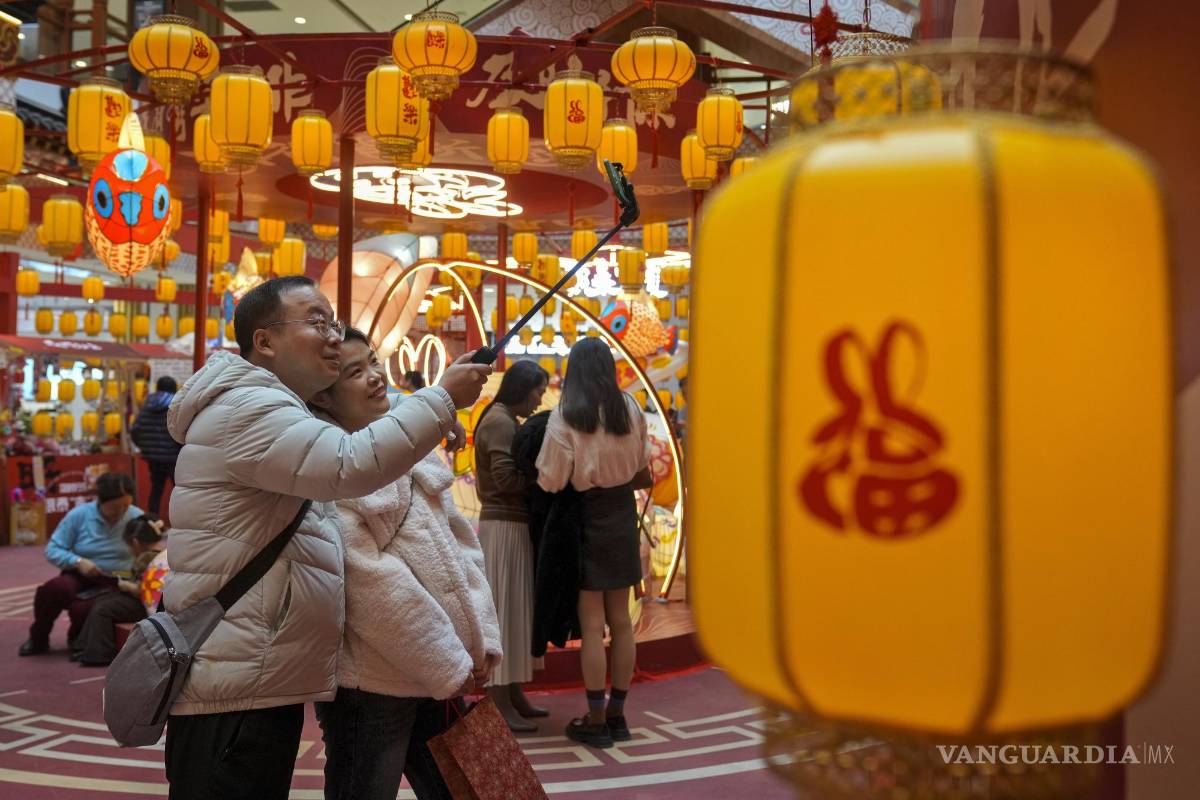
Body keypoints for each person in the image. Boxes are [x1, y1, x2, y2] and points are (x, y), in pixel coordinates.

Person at [162, 276, 491, 800]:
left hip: (258, 670)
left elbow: (362, 422)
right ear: (265, 341)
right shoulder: (249, 408)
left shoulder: (282, 411)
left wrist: (432, 414)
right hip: (240, 677)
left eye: (334, 323)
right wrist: (441, 400)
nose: (333, 336)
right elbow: (348, 463)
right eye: (318, 322)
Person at [308, 328, 502, 800]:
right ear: (324, 397)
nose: (375, 376)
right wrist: (452, 662)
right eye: (355, 372)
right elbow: (371, 587)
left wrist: (480, 638)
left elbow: (460, 545)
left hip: (438, 671)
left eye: (373, 362)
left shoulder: (411, 447)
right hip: (372, 682)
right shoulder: (326, 467)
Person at [536, 338, 651, 749]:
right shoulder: (630, 407)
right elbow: (643, 465)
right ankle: (618, 716)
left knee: (590, 625)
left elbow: (550, 480)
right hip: (622, 516)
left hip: (585, 519)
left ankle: (596, 719)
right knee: (621, 621)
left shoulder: (566, 414)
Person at [472, 359, 550, 731]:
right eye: (538, 391)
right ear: (523, 388)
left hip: (508, 526)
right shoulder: (501, 422)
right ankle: (500, 701)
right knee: (504, 614)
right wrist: (543, 481)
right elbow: (505, 479)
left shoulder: (503, 418)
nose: (540, 399)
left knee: (511, 611)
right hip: (504, 526)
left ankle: (513, 693)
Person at [19, 472, 142, 660]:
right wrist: (77, 561)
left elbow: (151, 551)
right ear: (100, 501)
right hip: (81, 573)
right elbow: (52, 549)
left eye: (126, 506)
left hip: (116, 581)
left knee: (82, 609)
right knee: (54, 589)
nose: (121, 512)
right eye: (114, 508)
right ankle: (38, 638)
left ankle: (77, 640)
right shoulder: (79, 515)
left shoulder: (137, 517)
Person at [75, 513, 167, 666]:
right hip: (158, 603)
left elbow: (145, 590)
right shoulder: (165, 554)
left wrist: (126, 586)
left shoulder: (146, 559)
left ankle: (98, 653)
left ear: (135, 543)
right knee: (105, 601)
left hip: (149, 604)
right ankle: (84, 646)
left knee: (103, 608)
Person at [131, 376, 182, 515]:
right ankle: (181, 521)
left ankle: (153, 521)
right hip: (173, 457)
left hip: (153, 458)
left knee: (156, 489)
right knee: (180, 490)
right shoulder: (176, 405)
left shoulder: (147, 404)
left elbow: (135, 430)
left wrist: (146, 447)